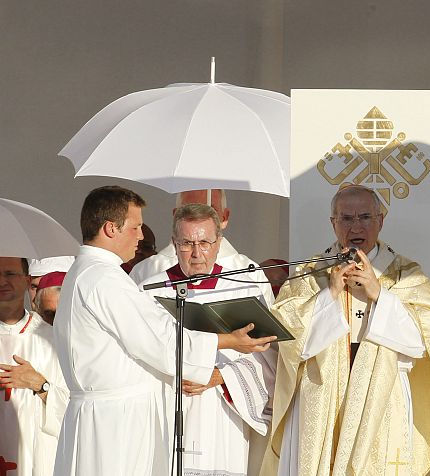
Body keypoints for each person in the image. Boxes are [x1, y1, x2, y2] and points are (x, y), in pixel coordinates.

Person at [53, 186, 275, 476]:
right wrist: (228, 341)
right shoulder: (108, 279)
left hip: (210, 421)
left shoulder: (88, 272)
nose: (142, 235)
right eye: (135, 227)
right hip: (118, 421)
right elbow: (161, 341)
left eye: (205, 242)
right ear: (110, 228)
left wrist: (223, 374)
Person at [264, 185, 430, 475]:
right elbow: (287, 334)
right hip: (323, 389)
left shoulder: (403, 272)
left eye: (365, 217)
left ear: (380, 221)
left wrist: (380, 294)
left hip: (382, 392)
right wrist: (329, 294)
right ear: (333, 223)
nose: (356, 226)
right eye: (346, 218)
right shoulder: (310, 273)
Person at [140, 204, 277, 476]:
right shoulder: (150, 291)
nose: (197, 253)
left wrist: (222, 376)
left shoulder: (244, 287)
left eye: (205, 242)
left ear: (219, 243)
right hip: (166, 404)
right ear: (174, 244)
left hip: (222, 411)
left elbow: (269, 355)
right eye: (187, 243)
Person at [0, 257, 67, 476]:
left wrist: (39, 384)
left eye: (10, 274)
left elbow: (74, 409)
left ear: (27, 281)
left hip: (38, 456)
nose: (2, 282)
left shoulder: (52, 338)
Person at [129, 190, 265, 295]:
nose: (199, 216)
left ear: (224, 217)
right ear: (176, 215)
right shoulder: (147, 273)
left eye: (211, 210)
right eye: (189, 208)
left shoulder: (249, 277)